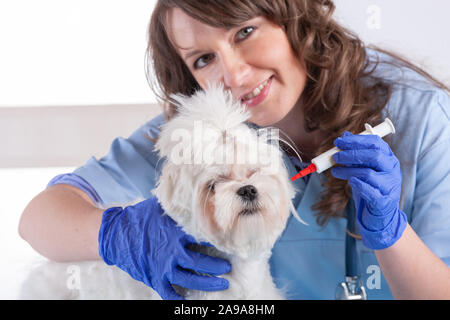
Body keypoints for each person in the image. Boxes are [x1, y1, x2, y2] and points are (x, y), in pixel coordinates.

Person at [19, 0, 450, 300]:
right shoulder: (193, 141)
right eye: (203, 59)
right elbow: (37, 222)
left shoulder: (423, 118)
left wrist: (392, 234)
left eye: (245, 32)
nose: (236, 74)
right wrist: (116, 233)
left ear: (293, 17)